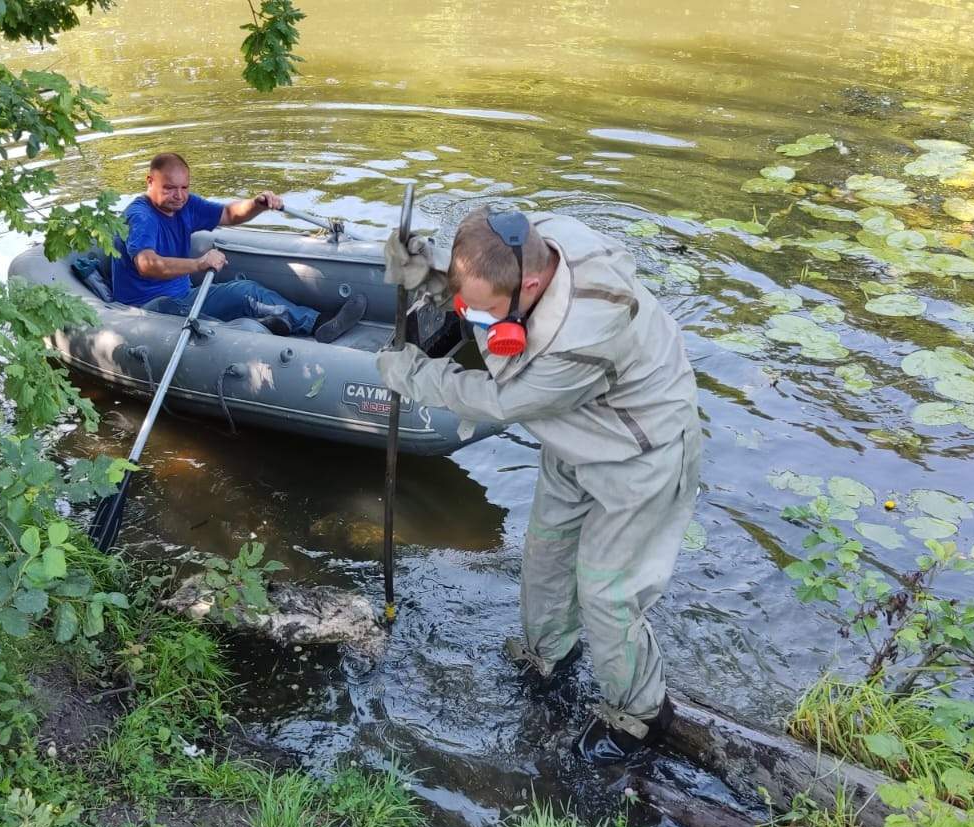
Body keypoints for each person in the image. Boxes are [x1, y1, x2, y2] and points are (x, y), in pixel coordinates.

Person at [376, 207, 701, 765]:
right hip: (575, 438)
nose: (472, 320)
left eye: (485, 313)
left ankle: (641, 713)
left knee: (607, 592)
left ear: (530, 286)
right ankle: (548, 654)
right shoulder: (537, 242)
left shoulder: (578, 340)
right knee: (546, 556)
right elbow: (482, 282)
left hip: (639, 453)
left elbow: (502, 400)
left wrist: (413, 374)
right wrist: (428, 271)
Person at [111, 152, 366, 343]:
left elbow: (228, 214)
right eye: (169, 188)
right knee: (200, 327)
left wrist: (257, 204)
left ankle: (316, 322)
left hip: (185, 295)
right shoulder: (141, 216)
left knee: (246, 291)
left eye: (184, 188)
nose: (178, 195)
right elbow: (146, 264)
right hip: (146, 309)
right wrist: (199, 263)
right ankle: (262, 328)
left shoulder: (184, 206)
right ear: (150, 181)